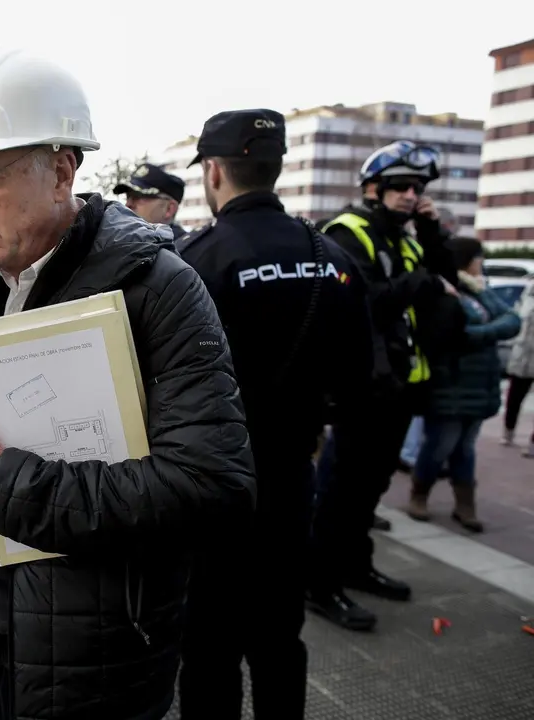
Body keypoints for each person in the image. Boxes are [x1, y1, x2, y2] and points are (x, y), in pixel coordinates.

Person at [0, 47, 256, 720]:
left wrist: (11, 489)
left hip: (93, 659)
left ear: (59, 171)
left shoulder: (158, 289)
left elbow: (211, 484)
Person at [174, 109, 374, 720]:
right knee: (280, 636)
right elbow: (361, 382)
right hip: (292, 476)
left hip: (212, 484)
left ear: (214, 171)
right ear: (277, 166)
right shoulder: (333, 257)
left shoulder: (196, 259)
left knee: (208, 644)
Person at [307, 140, 457, 631]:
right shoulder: (347, 233)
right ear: (373, 189)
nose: (412, 196)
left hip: (399, 386)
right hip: (360, 389)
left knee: (369, 488)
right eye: (402, 188)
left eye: (418, 188)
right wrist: (425, 283)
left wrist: (433, 232)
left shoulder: (407, 237)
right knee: (339, 490)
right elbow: (367, 302)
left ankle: (355, 565)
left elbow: (443, 278)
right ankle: (319, 583)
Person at [407, 238, 520, 530]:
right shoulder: (441, 289)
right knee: (440, 444)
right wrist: (488, 333)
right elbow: (455, 334)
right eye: (478, 257)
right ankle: (419, 494)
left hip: (480, 383)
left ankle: (465, 504)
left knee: (466, 446)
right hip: (450, 382)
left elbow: (512, 320)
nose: (480, 263)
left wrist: (482, 332)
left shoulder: (478, 289)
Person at [503, 281, 534, 457]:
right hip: (522, 353)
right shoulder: (528, 292)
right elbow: (517, 318)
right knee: (514, 396)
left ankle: (533, 443)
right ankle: (508, 430)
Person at [113, 163, 186, 236]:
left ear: (169, 209)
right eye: (127, 197)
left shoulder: (184, 246)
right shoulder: (121, 241)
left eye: (138, 196)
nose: (128, 204)